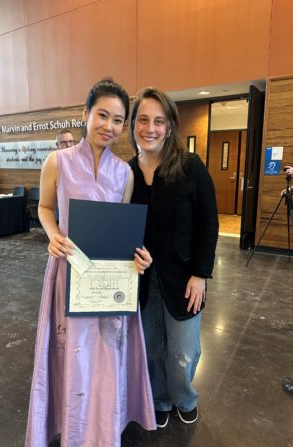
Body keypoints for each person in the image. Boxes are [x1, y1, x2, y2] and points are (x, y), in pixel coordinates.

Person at [25, 80, 156, 447]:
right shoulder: (58, 162)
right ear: (85, 114)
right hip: (69, 274)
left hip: (109, 280)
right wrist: (52, 234)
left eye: (118, 119)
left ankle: (103, 424)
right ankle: (73, 424)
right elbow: (45, 207)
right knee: (73, 352)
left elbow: (123, 230)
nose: (109, 126)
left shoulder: (125, 174)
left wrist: (138, 255)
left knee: (104, 352)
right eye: (102, 115)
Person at [128, 87, 219, 428]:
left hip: (184, 277)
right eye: (143, 120)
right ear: (133, 125)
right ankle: (160, 398)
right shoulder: (127, 173)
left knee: (183, 352)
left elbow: (210, 223)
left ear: (169, 126)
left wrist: (201, 274)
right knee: (151, 348)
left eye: (158, 121)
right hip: (142, 278)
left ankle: (184, 396)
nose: (150, 128)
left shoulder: (190, 167)